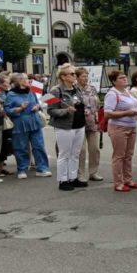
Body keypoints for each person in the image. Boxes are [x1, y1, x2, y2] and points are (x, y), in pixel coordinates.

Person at [48, 62, 89, 191]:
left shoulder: (76, 89)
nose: (74, 76)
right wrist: (66, 111)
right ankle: (62, 180)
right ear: (63, 76)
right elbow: (50, 110)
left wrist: (85, 110)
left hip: (79, 125)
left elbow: (80, 103)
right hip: (65, 126)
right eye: (72, 74)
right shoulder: (55, 90)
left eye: (74, 73)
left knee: (75, 154)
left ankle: (73, 177)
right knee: (64, 154)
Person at [3, 73, 51, 178]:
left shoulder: (31, 91)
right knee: (20, 148)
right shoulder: (11, 94)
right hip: (20, 124)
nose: (29, 81)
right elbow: (6, 110)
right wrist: (19, 108)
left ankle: (42, 168)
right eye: (26, 79)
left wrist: (37, 107)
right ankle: (22, 170)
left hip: (34, 122)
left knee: (39, 146)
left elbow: (38, 103)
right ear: (19, 81)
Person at [104, 70, 137, 193]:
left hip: (131, 126)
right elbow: (107, 113)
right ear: (114, 81)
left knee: (128, 155)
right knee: (119, 156)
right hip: (118, 127)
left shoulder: (127, 91)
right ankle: (118, 183)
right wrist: (127, 113)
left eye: (125, 77)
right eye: (121, 78)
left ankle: (128, 179)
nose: (125, 79)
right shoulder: (112, 94)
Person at [75, 67, 103, 182]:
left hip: (92, 122)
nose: (85, 78)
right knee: (81, 150)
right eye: (83, 76)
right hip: (79, 122)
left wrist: (98, 117)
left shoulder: (92, 88)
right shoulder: (74, 89)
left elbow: (97, 104)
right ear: (77, 77)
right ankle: (80, 174)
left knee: (94, 149)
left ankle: (93, 172)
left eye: (87, 76)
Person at [0, 74, 14, 177]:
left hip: (6, 121)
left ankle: (1, 168)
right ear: (0, 84)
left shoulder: (6, 92)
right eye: (6, 83)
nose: (8, 84)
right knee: (0, 145)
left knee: (5, 145)